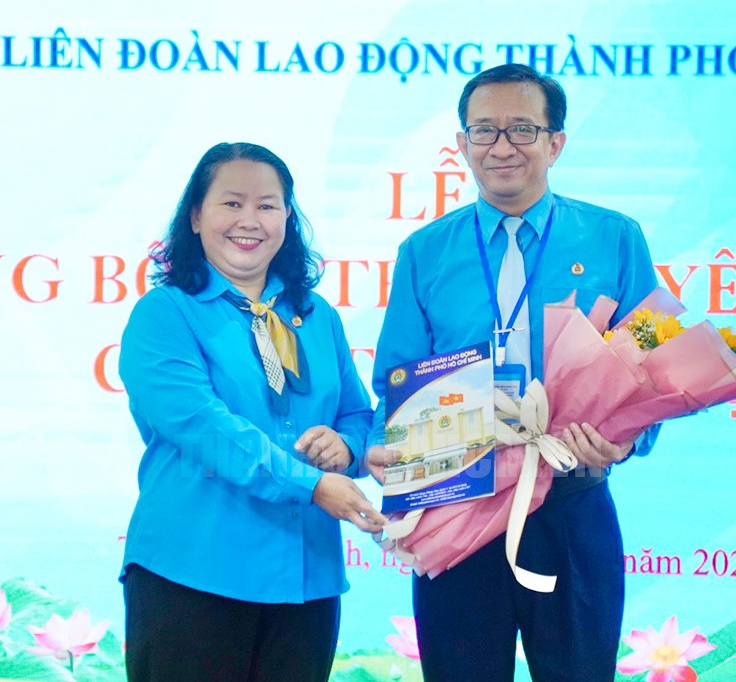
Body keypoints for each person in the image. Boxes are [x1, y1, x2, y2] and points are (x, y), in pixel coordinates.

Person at [368, 64, 660, 682]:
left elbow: (652, 357)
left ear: (556, 142)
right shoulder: (425, 251)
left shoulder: (614, 237)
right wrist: (385, 446)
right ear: (463, 144)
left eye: (522, 129)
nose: (502, 146)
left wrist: (626, 439)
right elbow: (396, 375)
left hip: (572, 493)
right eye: (484, 131)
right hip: (458, 497)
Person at [119, 142, 385, 682]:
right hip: (193, 571)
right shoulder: (164, 314)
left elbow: (359, 415)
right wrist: (312, 484)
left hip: (306, 580)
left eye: (267, 205)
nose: (250, 220)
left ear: (288, 218)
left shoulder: (317, 316)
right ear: (196, 216)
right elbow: (203, 428)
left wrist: (348, 446)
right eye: (232, 203)